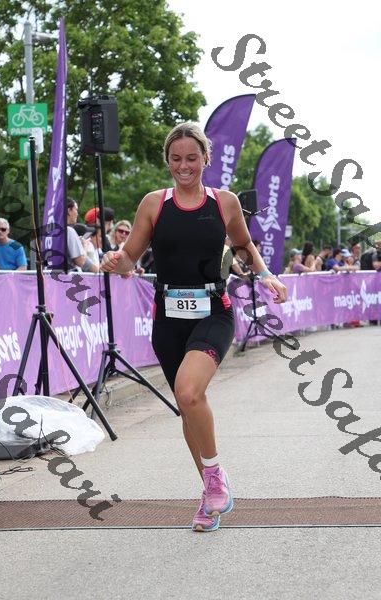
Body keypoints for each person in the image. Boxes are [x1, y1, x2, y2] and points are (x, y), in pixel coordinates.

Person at [102, 122, 287, 533]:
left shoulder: (224, 202)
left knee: (188, 391)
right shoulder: (154, 203)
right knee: (188, 406)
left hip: (213, 312)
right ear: (167, 161)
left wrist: (267, 275)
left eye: (191, 158)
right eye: (175, 159)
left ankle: (215, 478)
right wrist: (117, 262)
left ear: (205, 158)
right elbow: (131, 257)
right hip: (168, 318)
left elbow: (243, 246)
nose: (183, 166)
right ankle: (210, 493)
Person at [67, 200, 99, 273]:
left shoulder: (51, 231)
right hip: (67, 277)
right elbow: (80, 261)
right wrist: (84, 245)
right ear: (69, 210)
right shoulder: (69, 231)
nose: (77, 214)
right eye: (76, 210)